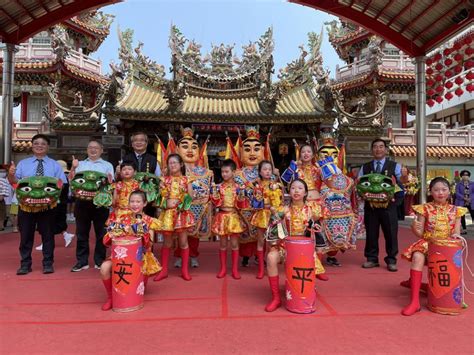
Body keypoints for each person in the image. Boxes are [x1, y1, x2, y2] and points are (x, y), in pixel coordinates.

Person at [400, 177, 466, 316]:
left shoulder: (457, 211)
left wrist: (455, 238)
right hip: (428, 243)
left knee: (454, 259)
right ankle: (415, 302)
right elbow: (420, 234)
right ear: (431, 192)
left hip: (447, 246)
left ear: (450, 191)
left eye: (444, 189)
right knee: (417, 256)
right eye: (436, 190)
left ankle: (453, 296)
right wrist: (414, 228)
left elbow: (457, 233)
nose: (440, 193)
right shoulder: (425, 208)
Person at [8, 134, 67, 275]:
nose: (39, 146)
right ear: (32, 146)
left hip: (48, 206)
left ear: (47, 147)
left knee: (48, 236)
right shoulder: (23, 163)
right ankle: (25, 264)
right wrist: (11, 174)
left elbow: (62, 184)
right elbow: (15, 183)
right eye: (36, 143)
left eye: (43, 144)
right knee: (26, 236)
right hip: (26, 206)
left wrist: (49, 192)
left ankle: (48, 263)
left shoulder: (55, 165)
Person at [264, 179, 324, 312]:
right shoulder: (283, 210)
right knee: (271, 257)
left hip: (305, 252)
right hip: (286, 249)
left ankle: (306, 292)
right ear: (288, 192)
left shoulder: (312, 211)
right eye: (293, 188)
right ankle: (276, 298)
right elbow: (272, 232)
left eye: (300, 188)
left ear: (306, 193)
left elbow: (318, 231)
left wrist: (313, 226)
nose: (296, 191)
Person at [100, 190, 161, 311]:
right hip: (120, 256)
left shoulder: (149, 221)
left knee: (133, 289)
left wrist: (143, 234)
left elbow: (149, 245)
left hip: (140, 258)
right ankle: (111, 298)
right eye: (132, 201)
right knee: (104, 268)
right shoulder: (120, 219)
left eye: (138, 201)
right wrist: (112, 234)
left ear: (145, 203)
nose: (135, 204)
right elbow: (105, 241)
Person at [69, 140, 114, 272]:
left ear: (101, 150)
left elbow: (110, 184)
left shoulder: (107, 165)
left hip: (101, 203)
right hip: (82, 202)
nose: (93, 150)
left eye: (96, 148)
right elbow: (71, 182)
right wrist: (73, 167)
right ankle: (82, 261)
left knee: (101, 233)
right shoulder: (80, 164)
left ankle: (99, 260)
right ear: (87, 150)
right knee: (81, 233)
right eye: (90, 148)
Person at [359, 138, 402, 272]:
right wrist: (362, 194)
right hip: (371, 206)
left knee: (391, 233)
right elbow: (359, 184)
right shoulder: (365, 167)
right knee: (371, 233)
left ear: (386, 150)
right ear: (372, 150)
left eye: (381, 147)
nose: (378, 149)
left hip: (389, 206)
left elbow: (402, 185)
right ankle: (371, 259)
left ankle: (391, 260)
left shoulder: (395, 166)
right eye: (375, 147)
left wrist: (395, 200)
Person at [174, 127, 213, 269]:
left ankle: (193, 255)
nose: (190, 150)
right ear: (177, 150)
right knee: (179, 234)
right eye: (185, 147)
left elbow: (209, 190)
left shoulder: (206, 172)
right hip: (179, 207)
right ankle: (179, 256)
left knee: (194, 235)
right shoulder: (174, 171)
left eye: (194, 147)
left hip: (198, 207)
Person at [154, 154, 194, 281]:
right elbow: (158, 199)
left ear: (181, 164)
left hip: (181, 214)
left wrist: (181, 204)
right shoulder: (164, 180)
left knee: (183, 242)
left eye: (175, 163)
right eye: (170, 163)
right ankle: (164, 270)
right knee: (167, 242)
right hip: (168, 214)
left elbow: (190, 197)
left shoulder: (187, 180)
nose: (172, 165)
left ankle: (184, 271)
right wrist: (165, 203)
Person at [211, 159, 247, 279]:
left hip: (233, 216)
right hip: (221, 216)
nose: (224, 174)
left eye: (227, 171)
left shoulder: (238, 187)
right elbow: (216, 203)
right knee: (222, 244)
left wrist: (241, 195)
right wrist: (214, 195)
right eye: (222, 172)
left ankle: (235, 270)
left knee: (235, 244)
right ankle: (223, 269)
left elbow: (241, 205)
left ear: (233, 172)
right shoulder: (219, 187)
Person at [250, 160, 284, 279]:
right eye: (265, 169)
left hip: (273, 214)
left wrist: (278, 177)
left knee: (272, 242)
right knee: (260, 241)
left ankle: (270, 266)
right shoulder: (256, 184)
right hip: (262, 214)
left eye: (269, 169)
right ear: (259, 171)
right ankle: (260, 268)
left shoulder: (275, 183)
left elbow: (282, 197)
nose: (267, 171)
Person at [35, 160, 75, 251]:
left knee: (47, 224)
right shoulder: (65, 177)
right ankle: (65, 235)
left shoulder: (58, 180)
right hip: (60, 202)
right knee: (53, 223)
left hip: (56, 203)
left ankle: (46, 243)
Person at [454, 170, 474, 235]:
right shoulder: (458, 184)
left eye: (467, 175)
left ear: (469, 176)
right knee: (462, 216)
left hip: (471, 201)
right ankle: (464, 229)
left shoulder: (472, 183)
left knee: (473, 214)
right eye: (464, 175)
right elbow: (457, 193)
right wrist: (464, 198)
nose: (465, 176)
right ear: (461, 176)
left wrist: (470, 198)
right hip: (461, 201)